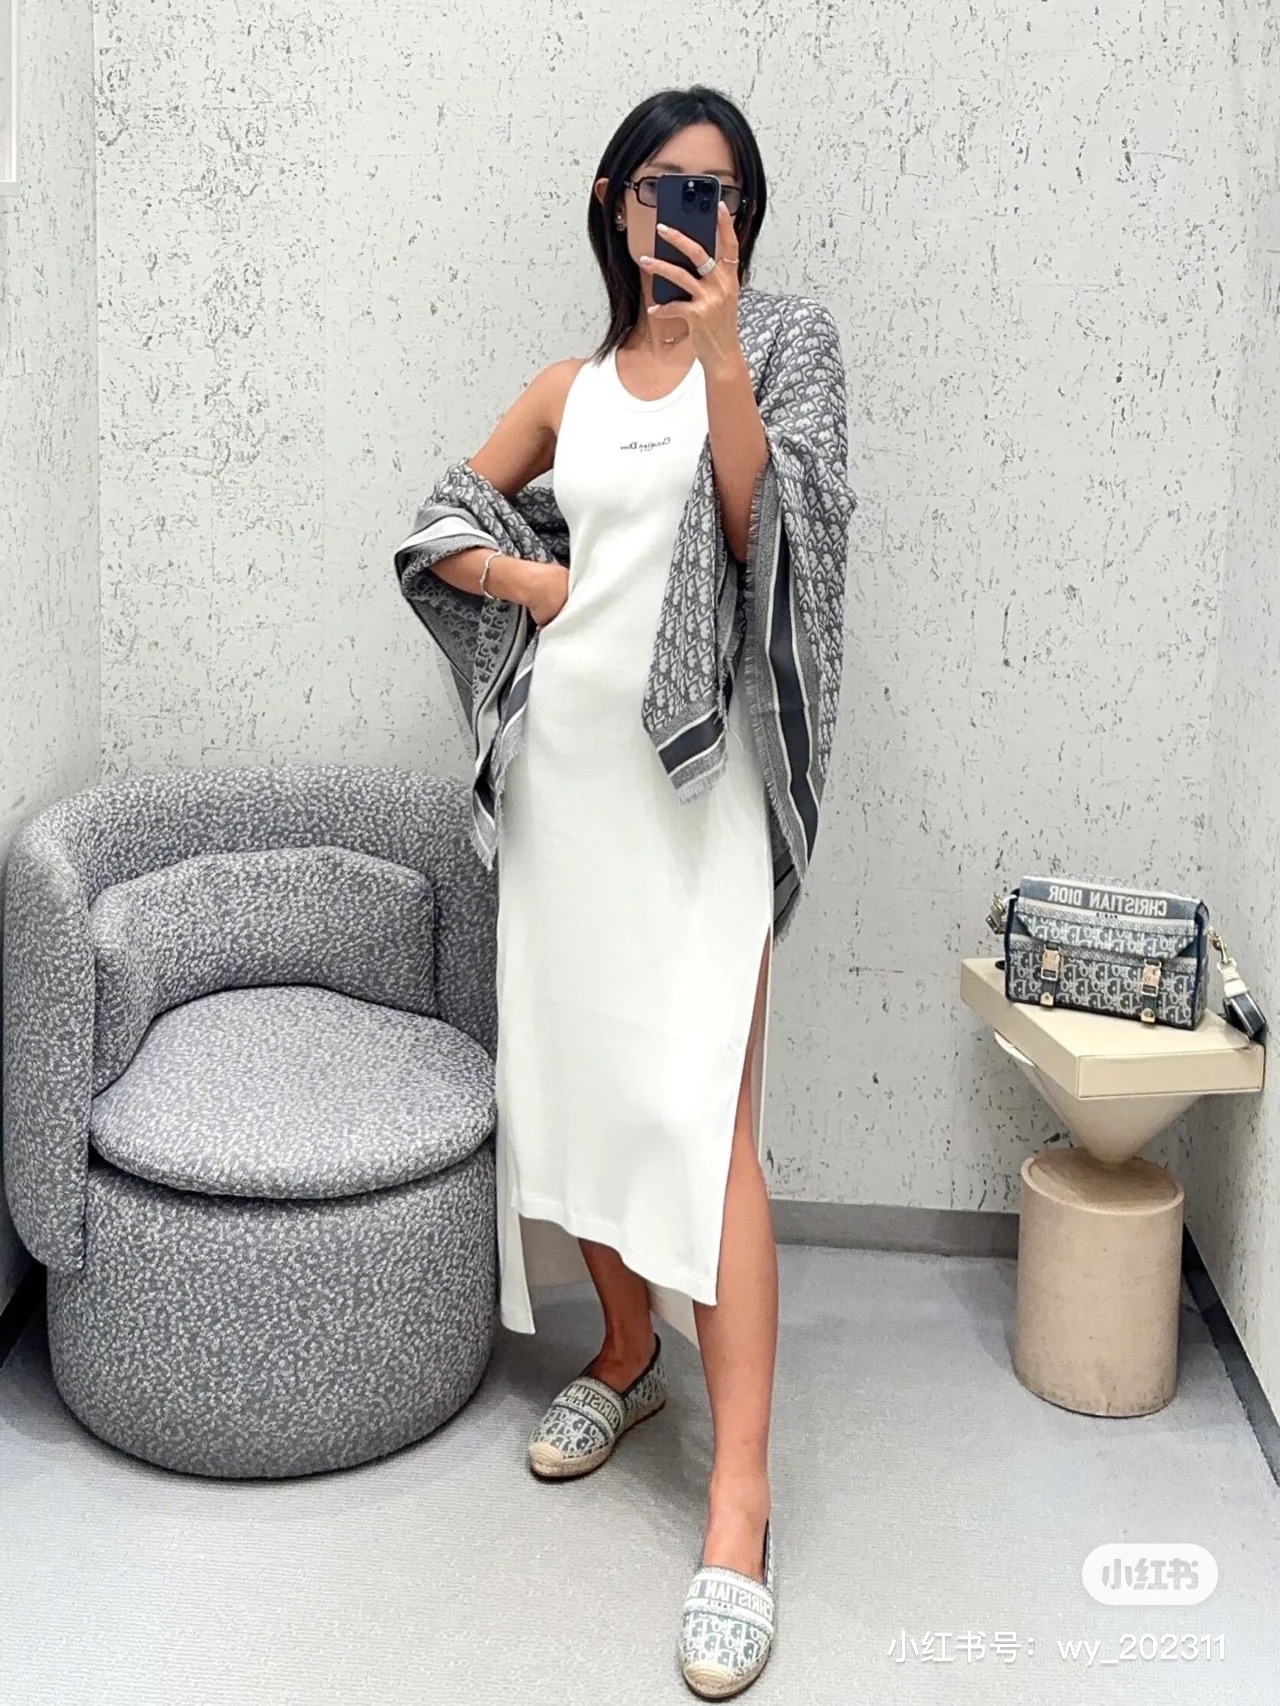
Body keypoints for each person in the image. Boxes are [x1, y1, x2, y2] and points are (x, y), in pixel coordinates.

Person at [394, 84, 855, 1699]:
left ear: (747, 219)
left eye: (724, 193)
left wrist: (722, 357)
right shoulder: (567, 390)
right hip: (569, 798)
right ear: (614, 200)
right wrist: (530, 576)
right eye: (668, 186)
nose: (695, 214)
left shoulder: (784, 347)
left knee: (705, 1123)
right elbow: (432, 526)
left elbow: (770, 534)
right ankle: (628, 1345)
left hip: (696, 799)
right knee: (579, 1092)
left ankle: (740, 1506)